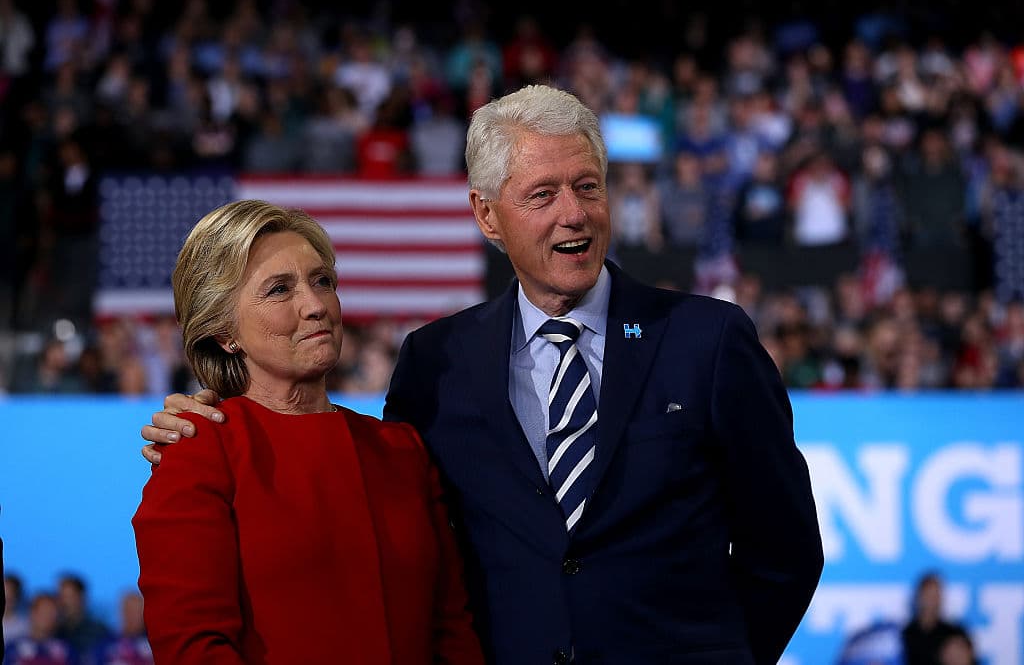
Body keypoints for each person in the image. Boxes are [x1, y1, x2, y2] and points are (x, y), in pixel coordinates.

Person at [142, 85, 824, 664]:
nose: (574, 213)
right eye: (543, 193)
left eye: (588, 186)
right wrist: (216, 415)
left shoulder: (706, 339)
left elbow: (785, 549)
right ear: (486, 215)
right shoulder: (437, 363)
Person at [131, 200, 483, 664]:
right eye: (279, 290)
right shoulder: (199, 449)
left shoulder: (401, 450)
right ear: (223, 332)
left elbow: (452, 631)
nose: (316, 305)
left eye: (323, 281)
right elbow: (193, 648)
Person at [902, 571, 971, 665]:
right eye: (928, 595)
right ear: (918, 597)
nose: (932, 601)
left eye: (936, 595)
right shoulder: (904, 635)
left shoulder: (954, 635)